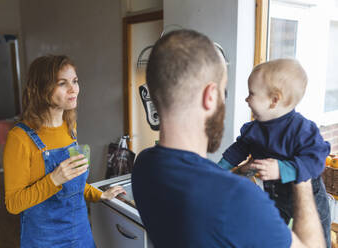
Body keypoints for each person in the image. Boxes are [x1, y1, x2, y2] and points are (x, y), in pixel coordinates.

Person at [131, 29, 325, 248]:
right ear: (210, 96)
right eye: (224, 93)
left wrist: (237, 172)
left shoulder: (143, 166)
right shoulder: (239, 198)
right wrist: (303, 178)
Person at [3, 55, 125, 248]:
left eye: (75, 81)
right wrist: (53, 180)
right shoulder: (19, 138)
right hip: (44, 240)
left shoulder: (70, 127)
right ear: (41, 89)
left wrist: (99, 195)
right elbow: (13, 204)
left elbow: (74, 182)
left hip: (80, 234)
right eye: (62, 83)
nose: (73, 89)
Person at [217, 58, 331, 247]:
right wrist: (219, 170)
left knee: (316, 237)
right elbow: (237, 150)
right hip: (276, 194)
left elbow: (316, 160)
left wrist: (282, 169)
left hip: (309, 196)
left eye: (251, 94)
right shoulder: (253, 129)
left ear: (274, 100)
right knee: (274, 235)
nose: (246, 99)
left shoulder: (302, 129)